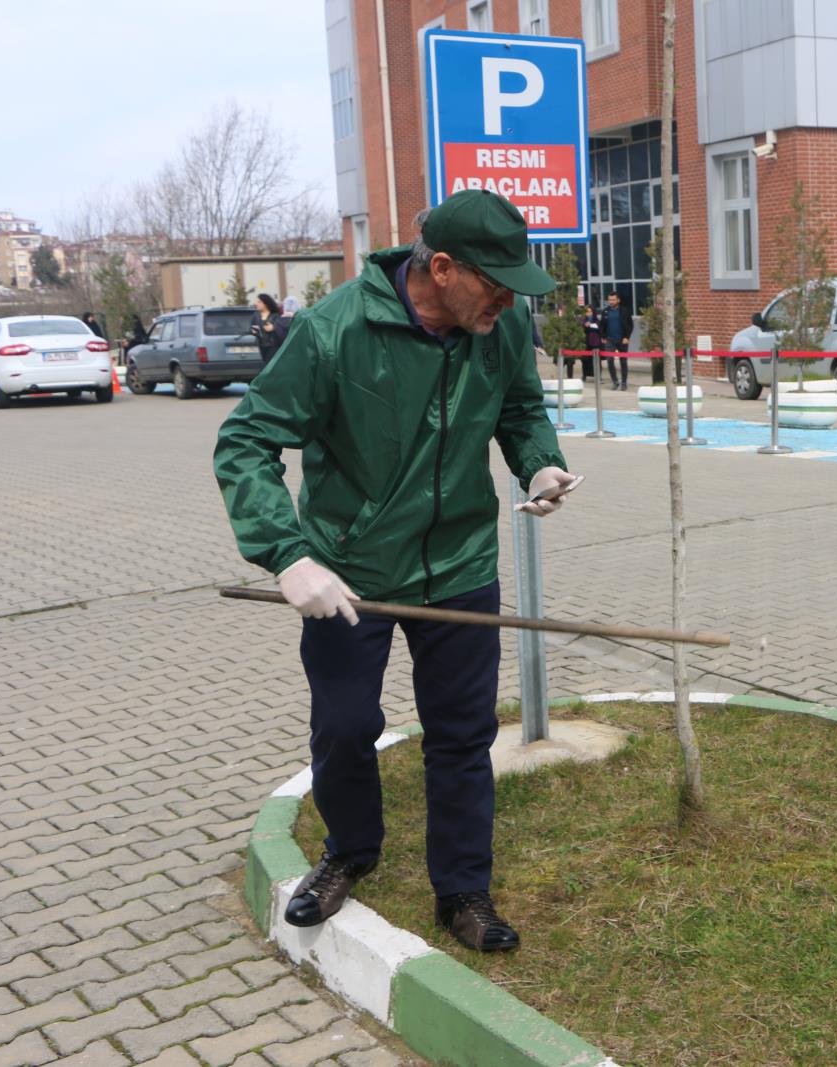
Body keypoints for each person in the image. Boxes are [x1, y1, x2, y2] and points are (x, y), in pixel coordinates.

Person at [213, 189, 581, 952]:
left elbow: (519, 409)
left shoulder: (500, 325)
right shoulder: (333, 331)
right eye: (496, 284)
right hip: (352, 570)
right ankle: (349, 851)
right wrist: (288, 554)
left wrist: (540, 465)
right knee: (346, 727)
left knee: (462, 734)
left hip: (461, 562)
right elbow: (245, 442)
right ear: (442, 268)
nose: (508, 301)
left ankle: (463, 887)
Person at [600, 290, 632, 389]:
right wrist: (603, 337)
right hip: (609, 340)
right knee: (609, 360)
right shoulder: (605, 311)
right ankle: (615, 381)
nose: (611, 302)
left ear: (618, 300)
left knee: (623, 361)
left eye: (613, 300)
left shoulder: (624, 310)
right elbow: (602, 325)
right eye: (609, 300)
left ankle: (624, 383)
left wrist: (627, 337)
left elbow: (630, 325)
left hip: (622, 339)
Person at [251, 293, 288, 366]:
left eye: (259, 302)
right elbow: (252, 327)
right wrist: (253, 331)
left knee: (269, 365)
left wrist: (273, 327)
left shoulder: (275, 315)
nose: (256, 304)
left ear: (265, 303)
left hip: (273, 346)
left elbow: (283, 329)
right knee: (265, 364)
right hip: (261, 345)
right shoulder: (255, 315)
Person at [579, 304, 601, 380]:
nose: (588, 313)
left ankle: (598, 376)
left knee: (596, 360)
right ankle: (584, 375)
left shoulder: (597, 321)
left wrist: (590, 325)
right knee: (585, 360)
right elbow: (581, 328)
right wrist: (584, 325)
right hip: (585, 343)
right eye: (587, 312)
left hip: (595, 343)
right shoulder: (583, 321)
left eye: (590, 312)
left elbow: (599, 328)